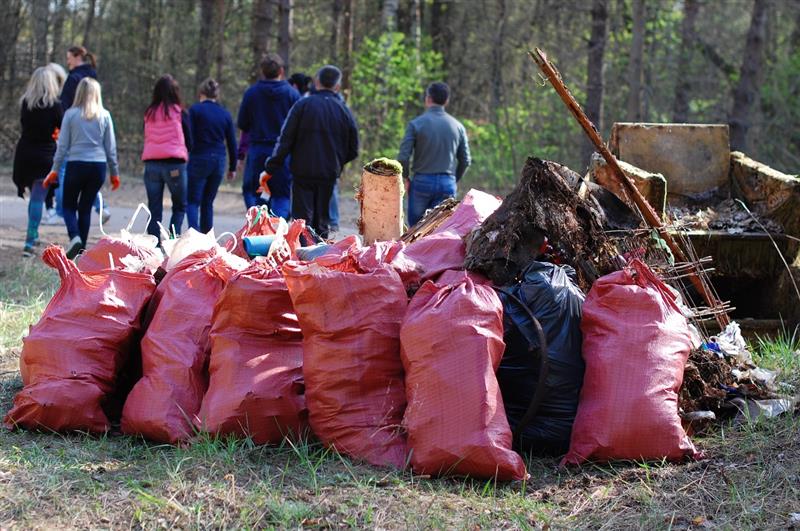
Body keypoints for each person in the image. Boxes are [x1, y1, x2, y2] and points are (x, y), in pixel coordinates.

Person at [264, 65, 359, 238]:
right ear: (337, 87)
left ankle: (302, 256)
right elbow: (353, 149)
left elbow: (285, 140)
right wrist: (337, 162)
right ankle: (319, 255)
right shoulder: (344, 111)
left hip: (302, 171)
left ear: (317, 82)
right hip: (329, 173)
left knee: (302, 221)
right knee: (322, 221)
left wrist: (271, 166)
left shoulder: (302, 105)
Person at [43, 78, 119, 259]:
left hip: (76, 165)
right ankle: (81, 252)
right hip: (98, 168)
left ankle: (74, 237)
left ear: (79, 93)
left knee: (68, 206)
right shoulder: (105, 115)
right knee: (85, 208)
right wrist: (114, 173)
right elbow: (111, 149)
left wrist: (54, 169)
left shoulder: (70, 114)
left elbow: (62, 147)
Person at [44, 47, 110, 225]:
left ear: (78, 57)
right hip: (93, 133)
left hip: (74, 131)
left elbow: (64, 107)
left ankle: (60, 211)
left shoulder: (73, 79)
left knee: (63, 170)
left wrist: (62, 129)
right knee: (89, 177)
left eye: (69, 58)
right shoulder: (92, 76)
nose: (68, 62)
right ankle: (102, 207)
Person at [398, 82, 471, 226]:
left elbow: (403, 157)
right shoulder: (458, 126)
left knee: (416, 230)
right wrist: (453, 180)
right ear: (447, 100)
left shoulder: (416, 124)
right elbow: (465, 160)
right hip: (447, 183)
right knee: (440, 229)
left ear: (428, 99)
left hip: (421, 182)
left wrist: (405, 177)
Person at [237, 53, 300, 216]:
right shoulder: (292, 95)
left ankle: (259, 231)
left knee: (257, 194)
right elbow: (300, 127)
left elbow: (243, 123)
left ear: (262, 71)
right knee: (282, 195)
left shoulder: (251, 93)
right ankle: (277, 231)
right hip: (283, 154)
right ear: (281, 71)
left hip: (258, 151)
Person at [12, 67, 64, 257]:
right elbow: (62, 129)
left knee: (34, 200)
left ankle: (32, 237)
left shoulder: (26, 103)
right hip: (45, 156)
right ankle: (29, 240)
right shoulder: (55, 106)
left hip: (25, 154)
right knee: (37, 198)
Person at [141, 75, 192, 238]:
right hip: (175, 165)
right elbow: (189, 140)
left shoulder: (149, 113)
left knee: (154, 208)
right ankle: (172, 239)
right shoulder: (180, 112)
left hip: (152, 165)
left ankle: (154, 244)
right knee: (179, 206)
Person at [186, 78, 237, 233]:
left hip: (199, 157)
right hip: (218, 161)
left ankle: (193, 236)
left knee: (193, 201)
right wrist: (232, 167)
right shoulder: (225, 114)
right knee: (208, 202)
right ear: (217, 95)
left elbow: (188, 135)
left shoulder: (194, 111)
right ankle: (207, 238)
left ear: (201, 94)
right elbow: (232, 142)